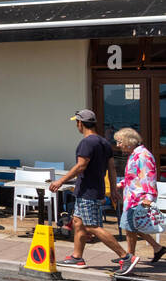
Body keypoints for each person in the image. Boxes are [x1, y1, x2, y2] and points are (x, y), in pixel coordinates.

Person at [50, 109, 131, 270]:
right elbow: (112, 169)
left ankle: (125, 256)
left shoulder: (87, 142)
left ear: (80, 123)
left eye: (76, 123)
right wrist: (114, 189)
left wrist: (60, 181)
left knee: (92, 226)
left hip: (88, 191)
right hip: (94, 189)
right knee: (78, 223)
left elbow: (81, 165)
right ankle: (77, 257)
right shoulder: (104, 143)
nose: (76, 126)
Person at [113, 126, 166, 275]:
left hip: (139, 199)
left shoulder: (143, 155)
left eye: (119, 142)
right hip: (132, 197)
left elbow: (148, 177)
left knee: (129, 227)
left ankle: (129, 258)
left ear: (129, 142)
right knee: (132, 226)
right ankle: (157, 248)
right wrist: (120, 184)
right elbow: (133, 177)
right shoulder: (134, 154)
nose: (117, 145)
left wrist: (149, 198)